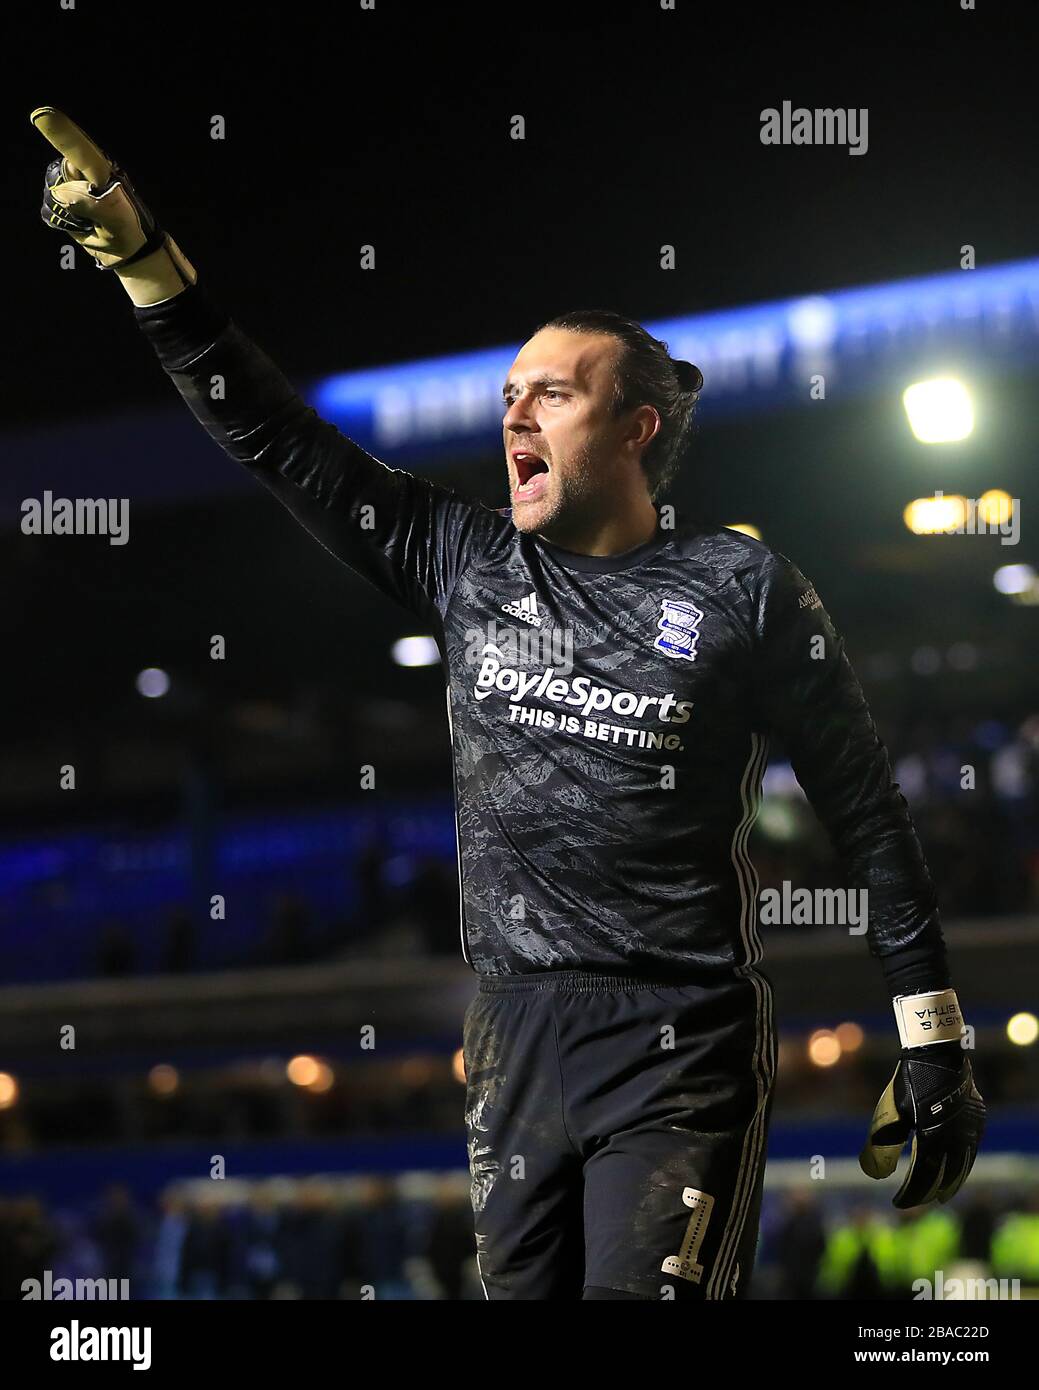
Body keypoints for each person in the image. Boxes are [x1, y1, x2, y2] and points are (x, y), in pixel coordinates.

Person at [30, 107, 986, 1301]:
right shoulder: (462, 559)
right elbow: (272, 435)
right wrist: (143, 264)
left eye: (552, 394)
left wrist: (932, 1035)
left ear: (634, 429)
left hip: (676, 1040)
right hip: (512, 1039)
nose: (514, 415)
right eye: (508, 394)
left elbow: (867, 817)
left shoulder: (741, 589)